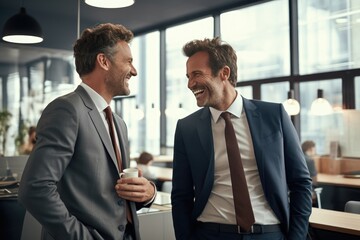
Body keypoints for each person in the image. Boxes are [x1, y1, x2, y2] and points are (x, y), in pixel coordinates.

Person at [18, 23, 156, 240]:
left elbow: (111, 197)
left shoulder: (118, 122)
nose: (134, 70)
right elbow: (35, 189)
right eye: (128, 61)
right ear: (103, 61)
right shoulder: (66, 109)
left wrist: (147, 194)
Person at [171, 37, 312, 240]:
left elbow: (301, 183)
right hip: (209, 233)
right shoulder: (187, 128)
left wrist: (296, 237)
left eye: (197, 75)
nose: (190, 84)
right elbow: (181, 195)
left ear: (224, 73)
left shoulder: (274, 116)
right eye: (188, 76)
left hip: (269, 233)